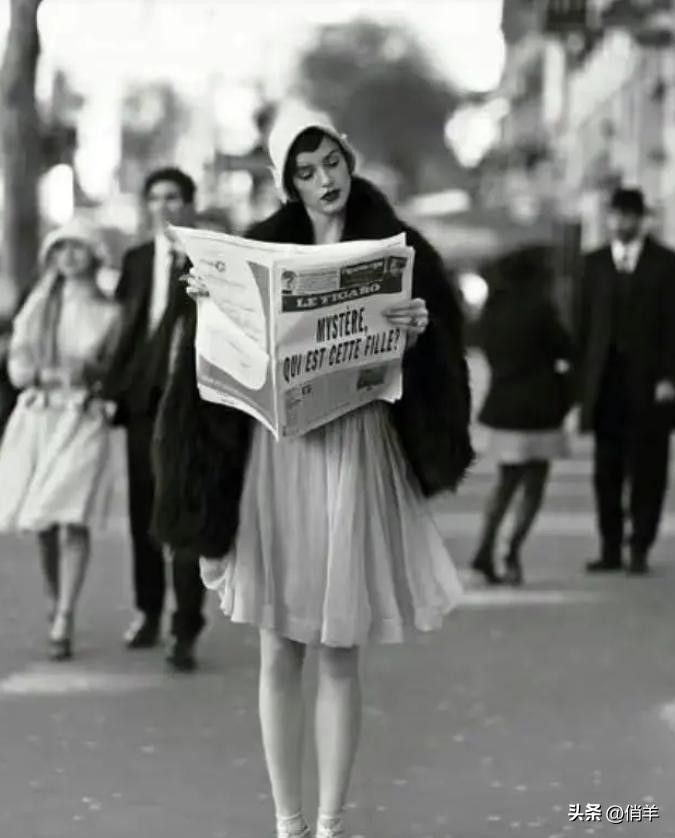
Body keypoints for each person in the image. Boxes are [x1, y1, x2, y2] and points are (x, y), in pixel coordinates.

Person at [151, 103, 473, 838]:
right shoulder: (259, 249)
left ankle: (329, 822)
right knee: (278, 646)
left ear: (347, 159)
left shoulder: (400, 249)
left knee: (337, 648)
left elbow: (434, 364)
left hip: (357, 451)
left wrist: (419, 331)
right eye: (305, 170)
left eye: (330, 162)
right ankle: (287, 821)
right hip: (277, 454)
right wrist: (204, 301)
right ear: (286, 182)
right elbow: (219, 362)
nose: (324, 179)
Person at [0, 218, 122, 660]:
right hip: (40, 416)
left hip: (84, 417)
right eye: (60, 248)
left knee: (73, 515)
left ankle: (65, 615)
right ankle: (55, 597)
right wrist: (39, 373)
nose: (68, 256)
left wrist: (96, 380)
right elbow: (18, 364)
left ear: (93, 255)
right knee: (45, 521)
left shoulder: (110, 313)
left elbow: (115, 368)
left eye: (77, 247)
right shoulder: (39, 304)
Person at [104, 167, 205, 672]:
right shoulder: (137, 259)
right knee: (143, 511)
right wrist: (111, 390)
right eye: (155, 198)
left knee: (182, 511)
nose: (164, 206)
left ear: (189, 204)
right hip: (143, 401)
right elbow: (125, 328)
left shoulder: (213, 256)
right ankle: (147, 611)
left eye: (174, 197)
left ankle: (185, 625)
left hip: (192, 402)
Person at [575, 186, 675, 576]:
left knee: (648, 472)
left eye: (628, 216)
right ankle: (610, 548)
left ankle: (640, 547)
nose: (621, 223)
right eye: (616, 216)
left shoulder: (666, 264)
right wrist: (580, 386)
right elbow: (583, 326)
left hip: (651, 387)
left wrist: (669, 376)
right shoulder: (594, 264)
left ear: (641, 220)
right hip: (606, 387)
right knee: (607, 472)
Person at [471, 247, 572, 586]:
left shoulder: (493, 309)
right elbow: (565, 348)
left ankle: (485, 547)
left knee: (505, 482)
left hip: (504, 407)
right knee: (534, 485)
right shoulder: (540, 309)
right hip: (540, 408)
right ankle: (511, 552)